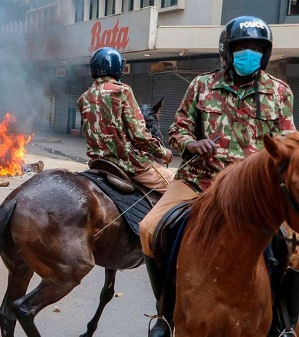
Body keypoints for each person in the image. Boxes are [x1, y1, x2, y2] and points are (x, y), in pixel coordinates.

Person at [139, 16, 296, 337]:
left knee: (298, 251)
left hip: (257, 194)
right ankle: (166, 312)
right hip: (200, 181)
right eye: (241, 47)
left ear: (265, 54)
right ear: (227, 51)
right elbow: (177, 129)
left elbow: (288, 140)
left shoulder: (278, 92)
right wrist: (191, 143)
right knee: (148, 228)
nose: (248, 53)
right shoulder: (201, 86)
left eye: (255, 48)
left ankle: (282, 320)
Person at [78, 47, 174, 193]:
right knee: (175, 189)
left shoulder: (83, 98)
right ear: (118, 67)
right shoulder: (122, 91)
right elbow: (139, 134)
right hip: (129, 164)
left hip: (98, 163)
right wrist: (162, 152)